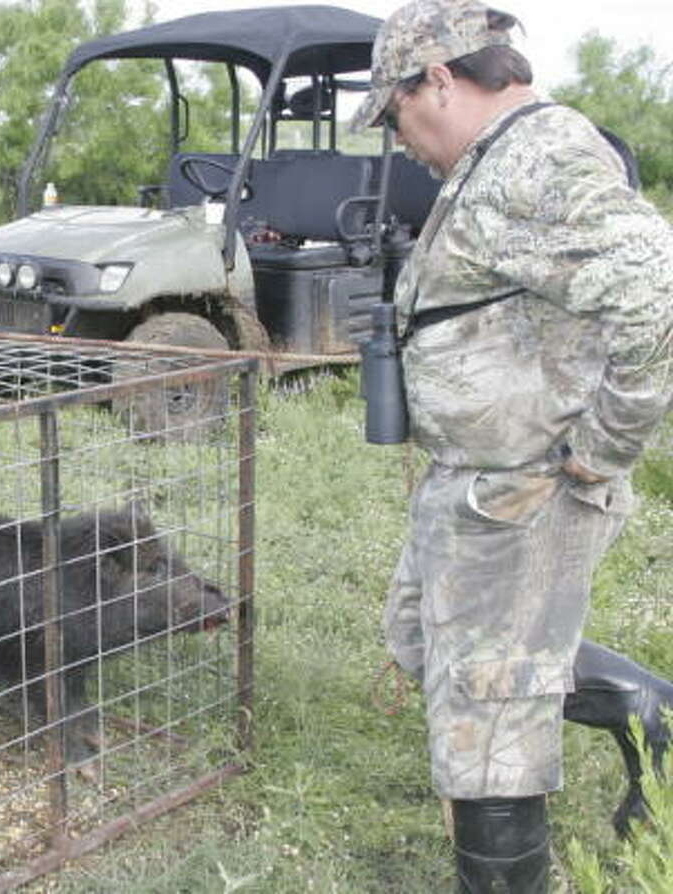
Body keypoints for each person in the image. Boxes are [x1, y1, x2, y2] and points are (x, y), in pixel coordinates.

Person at [351, 1, 673, 890]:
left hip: (527, 489)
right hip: (473, 481)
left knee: (489, 716)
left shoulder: (540, 152)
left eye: (397, 112)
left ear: (441, 80)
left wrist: (608, 444)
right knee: (421, 640)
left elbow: (656, 286)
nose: (400, 136)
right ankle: (651, 710)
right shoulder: (494, 161)